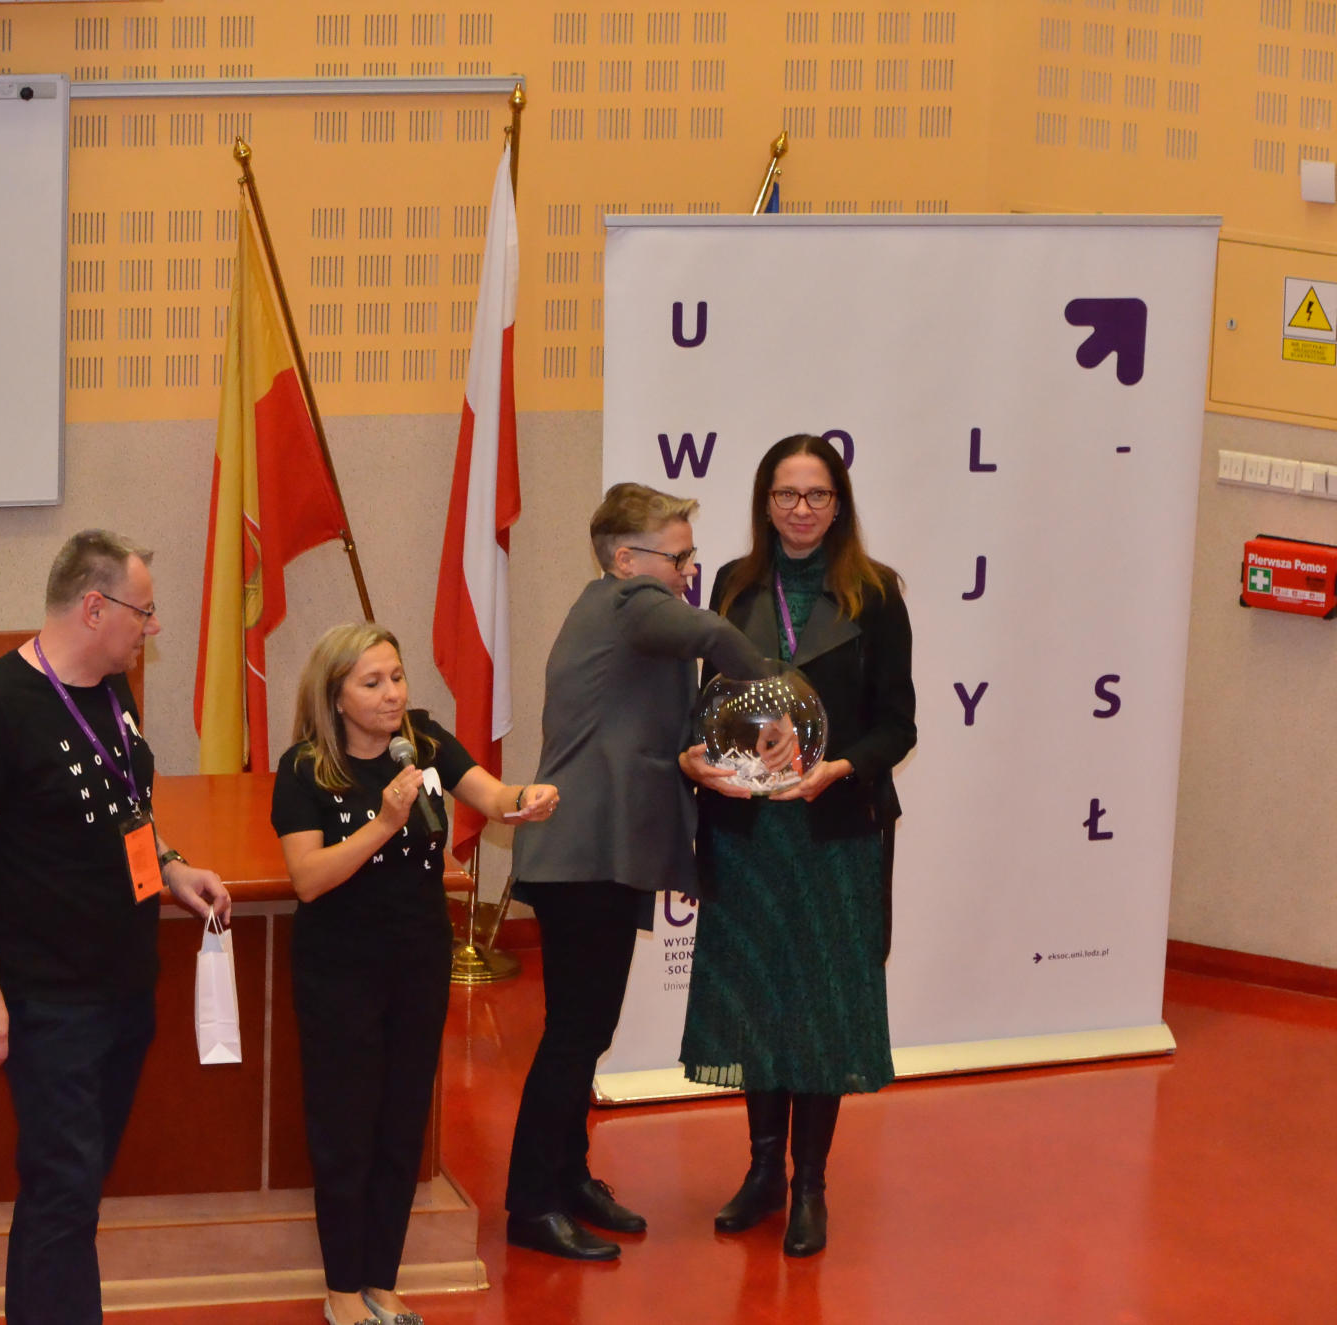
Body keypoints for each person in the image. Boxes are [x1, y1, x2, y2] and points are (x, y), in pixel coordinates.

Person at [0, 529, 232, 1325]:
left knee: (74, 1190)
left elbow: (127, 809)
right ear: (94, 607)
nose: (154, 627)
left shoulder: (112, 688)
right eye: (145, 611)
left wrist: (172, 867)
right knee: (64, 1188)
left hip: (125, 983)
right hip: (49, 997)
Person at [503, 484, 772, 1262]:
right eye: (678, 557)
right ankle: (530, 1203)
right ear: (626, 559)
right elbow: (715, 633)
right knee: (573, 1034)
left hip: (602, 852)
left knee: (587, 1030)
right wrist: (777, 696)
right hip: (583, 851)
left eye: (691, 556)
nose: (689, 570)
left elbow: (651, 729)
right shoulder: (628, 604)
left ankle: (568, 1176)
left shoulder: (627, 618)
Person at [271, 624, 557, 1325]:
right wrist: (382, 821)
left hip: (418, 961)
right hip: (339, 970)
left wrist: (528, 798)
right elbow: (308, 878)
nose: (392, 694)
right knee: (346, 1130)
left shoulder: (422, 743)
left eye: (396, 677)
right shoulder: (305, 768)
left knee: (402, 1125)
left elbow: (493, 796)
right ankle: (342, 1290)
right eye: (372, 682)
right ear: (335, 696)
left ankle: (381, 1279)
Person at [678, 433, 917, 1258]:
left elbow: (899, 724)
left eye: (817, 495)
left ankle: (810, 1184)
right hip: (747, 832)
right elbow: (714, 702)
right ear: (765, 502)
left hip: (833, 833)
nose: (802, 509)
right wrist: (707, 755)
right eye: (786, 494)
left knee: (820, 1006)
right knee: (756, 994)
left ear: (839, 504)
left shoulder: (876, 593)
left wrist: (838, 767)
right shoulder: (733, 584)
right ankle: (761, 1174)